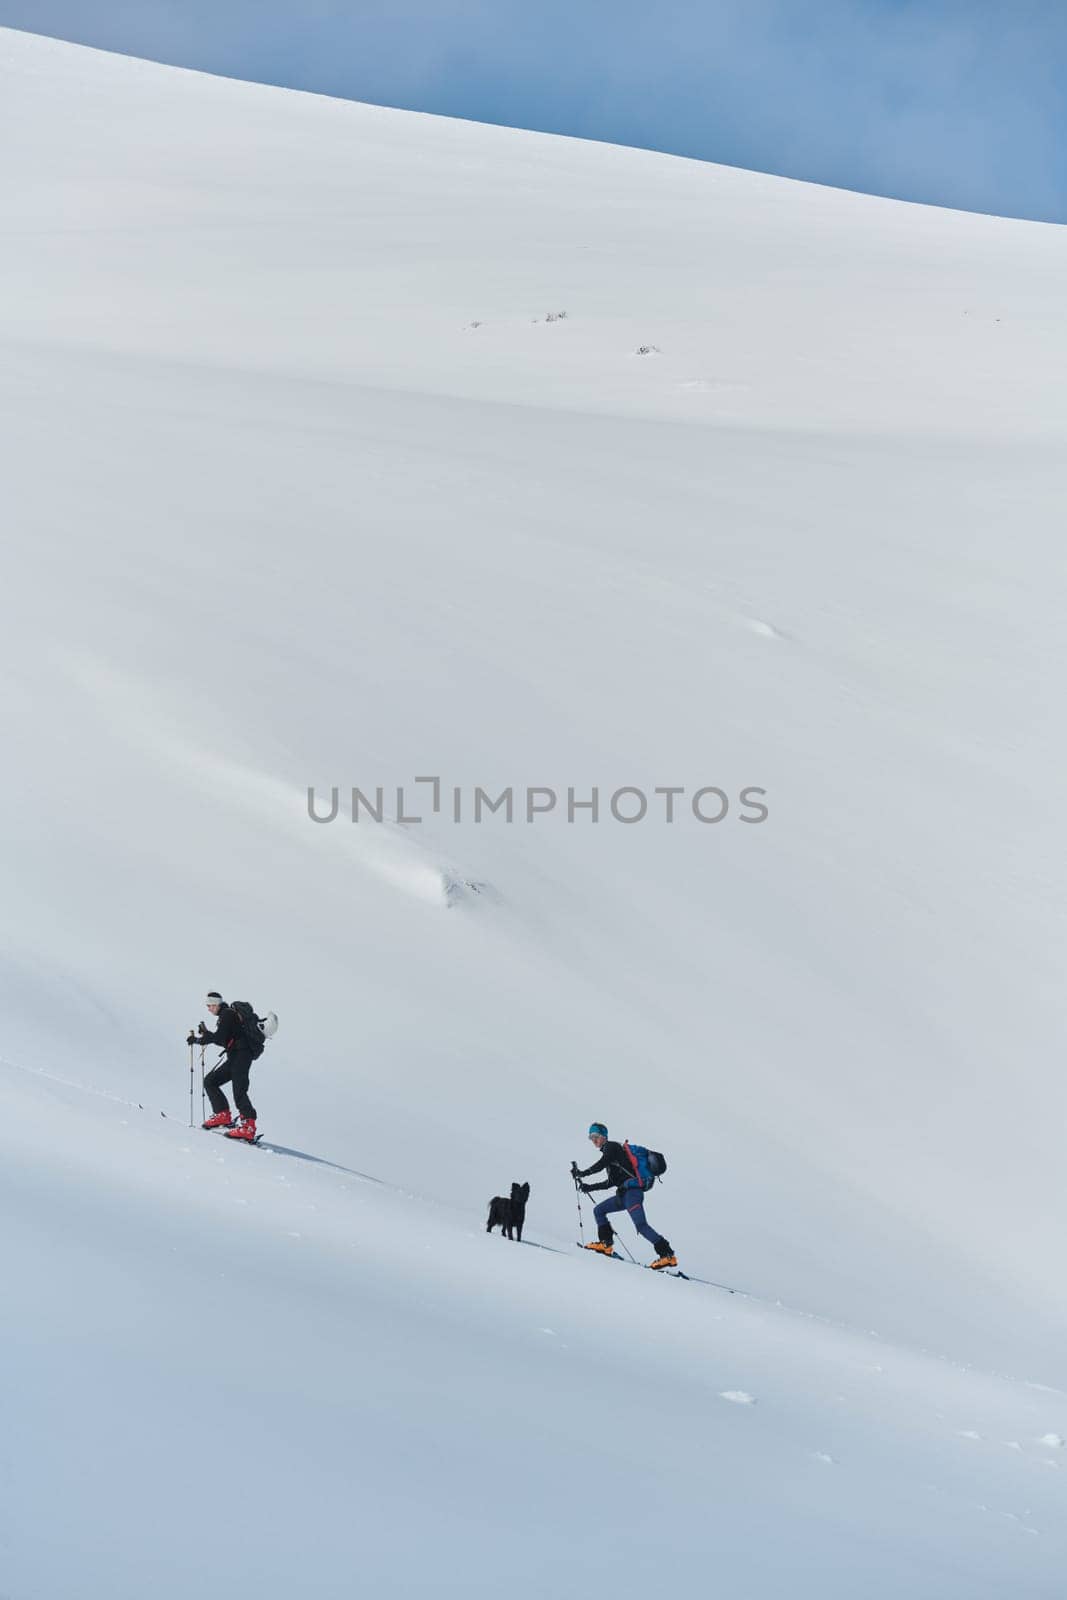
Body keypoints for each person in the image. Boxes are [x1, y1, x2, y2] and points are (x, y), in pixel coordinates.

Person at [572, 1122, 677, 1269]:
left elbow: (602, 1163)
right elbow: (610, 1182)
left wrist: (583, 1173)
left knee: (641, 1225)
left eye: (596, 1136)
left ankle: (667, 1255)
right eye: (591, 1137)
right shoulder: (612, 1159)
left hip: (632, 1194)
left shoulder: (612, 1147)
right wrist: (588, 1187)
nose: (593, 1140)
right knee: (599, 1210)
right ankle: (605, 1244)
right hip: (624, 1195)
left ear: (604, 1136)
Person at [188, 990, 258, 1142]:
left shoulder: (227, 1014)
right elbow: (222, 1039)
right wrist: (203, 1038)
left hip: (242, 1055)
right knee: (210, 1081)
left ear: (216, 1004)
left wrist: (204, 1038)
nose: (209, 1009)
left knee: (239, 1090)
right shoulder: (225, 1016)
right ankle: (222, 1115)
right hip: (235, 1056)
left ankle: (248, 1127)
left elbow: (219, 1038)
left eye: (210, 1005)